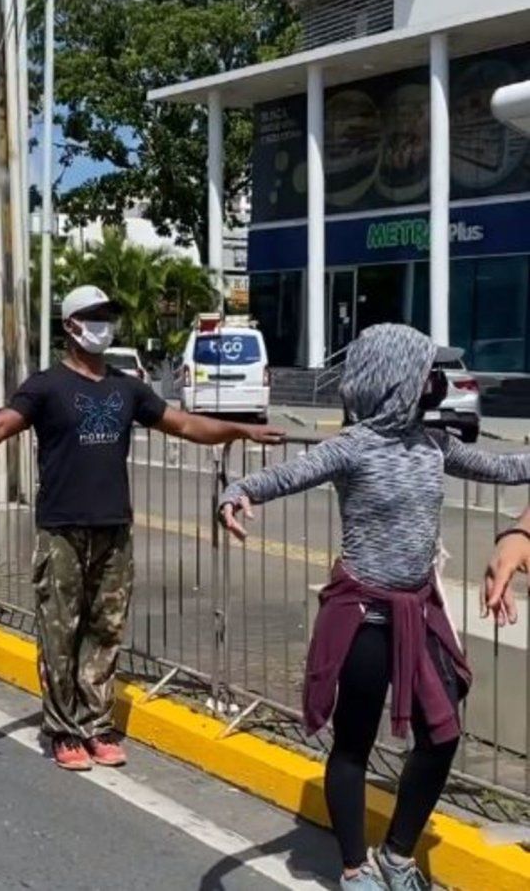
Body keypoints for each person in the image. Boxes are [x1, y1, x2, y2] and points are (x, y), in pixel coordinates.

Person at [219, 324, 530, 891]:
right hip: (364, 614)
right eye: (423, 373)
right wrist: (236, 494)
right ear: (395, 381)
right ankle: (356, 867)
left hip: (419, 609)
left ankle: (398, 854)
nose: (434, 383)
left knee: (443, 733)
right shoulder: (352, 446)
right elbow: (284, 475)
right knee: (354, 743)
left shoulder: (435, 444)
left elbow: (504, 469)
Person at [0, 285, 285, 772]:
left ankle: (96, 724)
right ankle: (63, 729)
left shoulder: (126, 387)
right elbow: (3, 423)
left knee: (105, 630)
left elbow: (185, 425)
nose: (104, 325)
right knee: (60, 632)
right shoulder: (46, 386)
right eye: (94, 316)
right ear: (70, 326)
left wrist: (242, 429)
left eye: (109, 316)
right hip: (62, 528)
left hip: (114, 527)